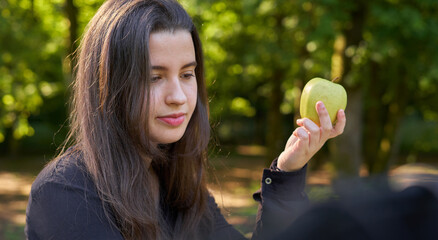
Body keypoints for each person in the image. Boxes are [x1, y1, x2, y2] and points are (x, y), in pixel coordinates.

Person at [25, 0, 346, 239]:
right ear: (108, 84)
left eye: (187, 73)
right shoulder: (64, 194)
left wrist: (288, 171)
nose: (178, 95)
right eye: (154, 77)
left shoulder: (178, 187)